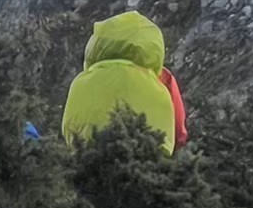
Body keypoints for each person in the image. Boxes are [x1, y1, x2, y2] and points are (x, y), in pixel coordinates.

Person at [60, 12, 178, 153]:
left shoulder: (80, 83)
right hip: (143, 167)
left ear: (98, 43)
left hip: (88, 163)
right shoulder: (160, 89)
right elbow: (170, 140)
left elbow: (69, 129)